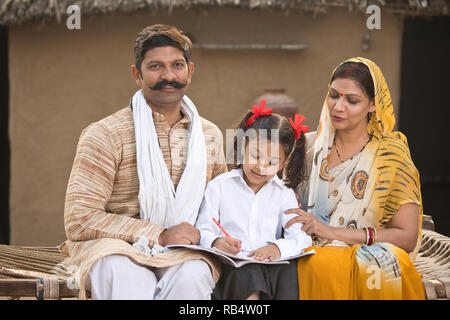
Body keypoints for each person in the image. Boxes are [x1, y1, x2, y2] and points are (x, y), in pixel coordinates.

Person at [62, 24, 227, 300]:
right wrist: (159, 234)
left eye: (177, 65)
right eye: (155, 67)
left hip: (184, 249)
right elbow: (80, 219)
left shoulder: (208, 135)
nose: (168, 76)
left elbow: (220, 203)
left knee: (194, 276)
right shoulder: (106, 134)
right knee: (126, 276)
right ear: (137, 75)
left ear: (190, 71)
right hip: (112, 248)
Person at [285, 57, 425, 299]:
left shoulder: (391, 157)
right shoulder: (307, 148)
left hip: (365, 255)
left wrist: (331, 233)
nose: (338, 107)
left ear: (373, 104)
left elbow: (407, 237)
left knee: (332, 264)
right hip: (303, 249)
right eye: (333, 95)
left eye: (352, 100)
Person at [195, 100, 312, 300]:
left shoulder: (284, 193)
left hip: (271, 267)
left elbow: (301, 238)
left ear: (284, 162)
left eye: (272, 162)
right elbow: (203, 228)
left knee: (290, 272)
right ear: (243, 147)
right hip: (233, 269)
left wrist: (276, 248)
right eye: (255, 156)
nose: (261, 167)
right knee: (249, 273)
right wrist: (216, 240)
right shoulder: (220, 186)